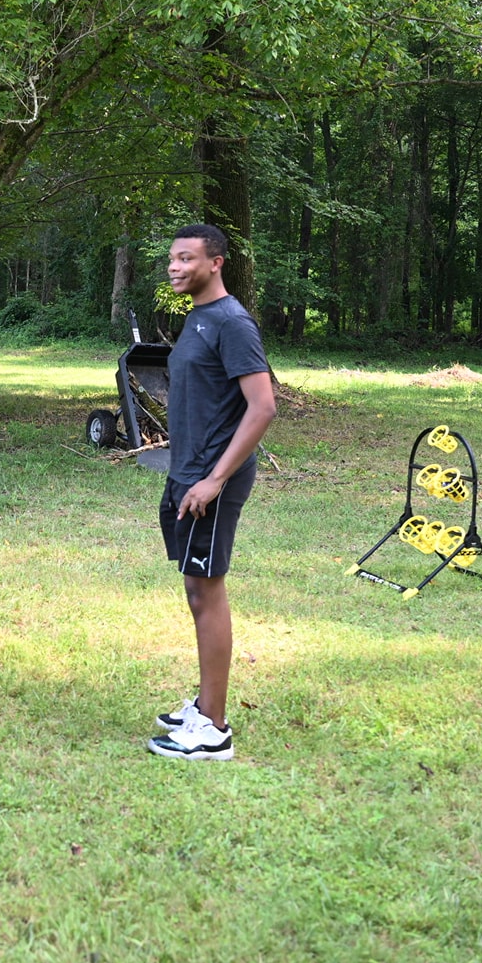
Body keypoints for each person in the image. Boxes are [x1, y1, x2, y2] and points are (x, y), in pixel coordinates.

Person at [148, 224, 275, 759]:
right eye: (172, 259)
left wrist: (215, 478)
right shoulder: (198, 318)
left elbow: (263, 407)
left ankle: (214, 729)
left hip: (212, 479)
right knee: (196, 587)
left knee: (208, 591)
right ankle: (204, 703)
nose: (175, 267)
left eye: (186, 259)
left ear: (216, 262)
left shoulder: (231, 323)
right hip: (189, 472)